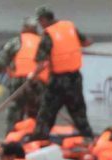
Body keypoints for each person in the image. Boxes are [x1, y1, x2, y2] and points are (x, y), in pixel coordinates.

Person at [29, 6, 95, 143]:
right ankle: (88, 137)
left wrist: (33, 76)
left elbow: (41, 63)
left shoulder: (48, 34)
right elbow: (87, 42)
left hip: (58, 81)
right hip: (75, 78)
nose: (40, 25)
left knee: (46, 112)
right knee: (78, 111)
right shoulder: (69, 26)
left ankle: (38, 140)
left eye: (40, 21)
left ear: (43, 20)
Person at [0, 18, 49, 133]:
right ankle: (37, 140)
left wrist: (7, 70)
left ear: (23, 28)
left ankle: (12, 140)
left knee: (15, 112)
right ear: (36, 30)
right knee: (38, 115)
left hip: (18, 83)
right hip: (39, 84)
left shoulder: (15, 42)